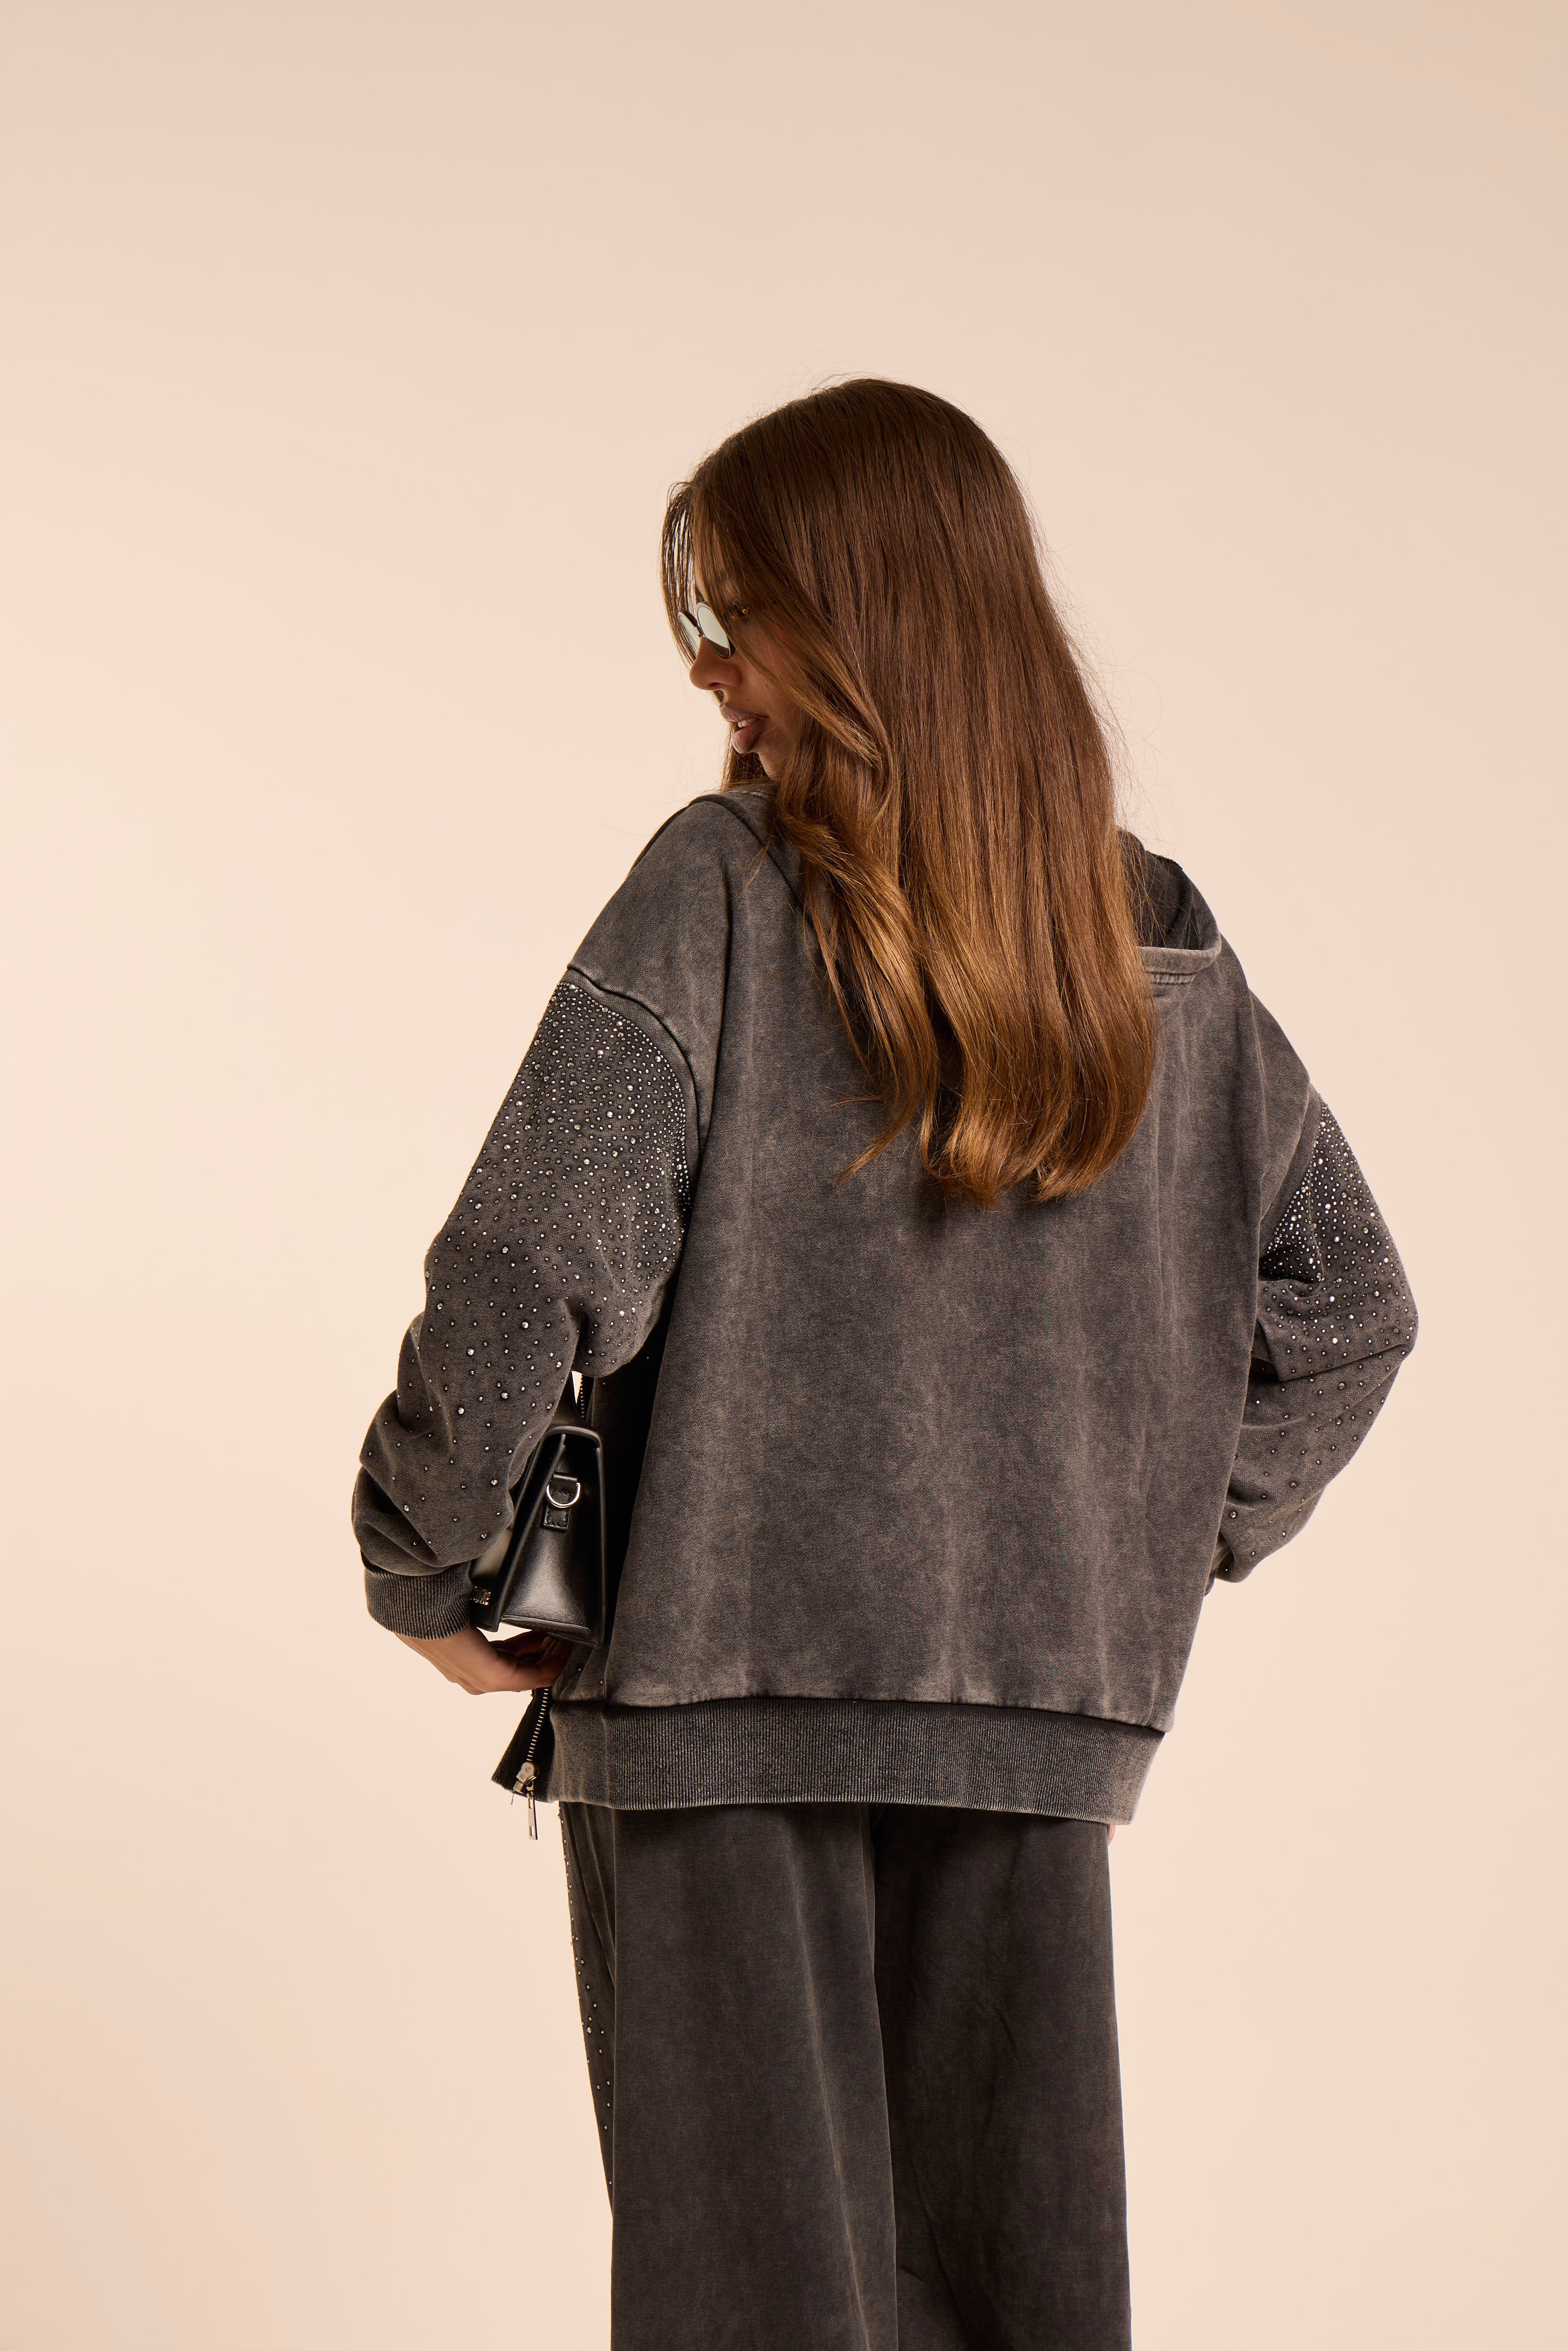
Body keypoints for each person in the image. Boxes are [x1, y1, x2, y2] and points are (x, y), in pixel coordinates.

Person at [351, 378, 1418, 2350]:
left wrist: (423, 1564)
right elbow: (1345, 1305)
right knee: (1013, 2298)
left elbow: (527, 1260)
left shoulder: (718, 890)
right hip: (1031, 1720)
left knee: (752, 2300)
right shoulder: (1145, 935)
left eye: (731, 616)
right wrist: (1124, 1540)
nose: (704, 671)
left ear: (859, 618)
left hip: (714, 1712)